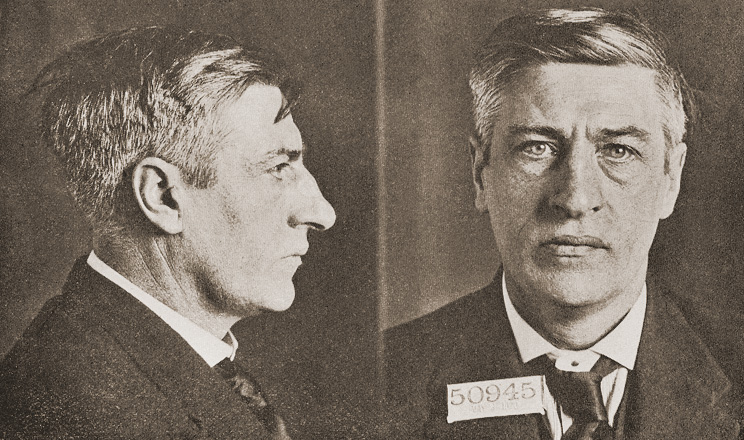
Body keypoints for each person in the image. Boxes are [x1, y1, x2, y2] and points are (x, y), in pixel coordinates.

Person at [385, 8, 743, 440]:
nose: (575, 199)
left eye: (618, 151)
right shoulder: (376, 382)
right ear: (481, 173)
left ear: (671, 178)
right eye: (536, 147)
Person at [0, 27, 335, 439]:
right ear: (162, 197)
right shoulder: (82, 413)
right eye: (278, 168)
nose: (322, 213)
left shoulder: (113, 362)